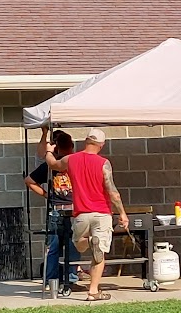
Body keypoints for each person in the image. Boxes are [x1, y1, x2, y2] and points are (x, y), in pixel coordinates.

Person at [44, 127, 130, 302]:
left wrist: (48, 151)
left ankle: (89, 241)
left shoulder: (71, 159)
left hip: (81, 214)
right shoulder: (103, 163)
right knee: (100, 254)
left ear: (85, 141)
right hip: (102, 214)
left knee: (78, 244)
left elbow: (52, 164)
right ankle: (92, 292)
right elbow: (112, 191)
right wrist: (122, 213)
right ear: (102, 145)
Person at [25, 127, 79, 294]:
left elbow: (28, 180)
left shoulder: (70, 162)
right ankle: (58, 279)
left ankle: (64, 279)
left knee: (67, 245)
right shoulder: (50, 165)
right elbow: (30, 181)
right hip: (61, 209)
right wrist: (48, 195)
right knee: (60, 245)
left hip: (67, 208)